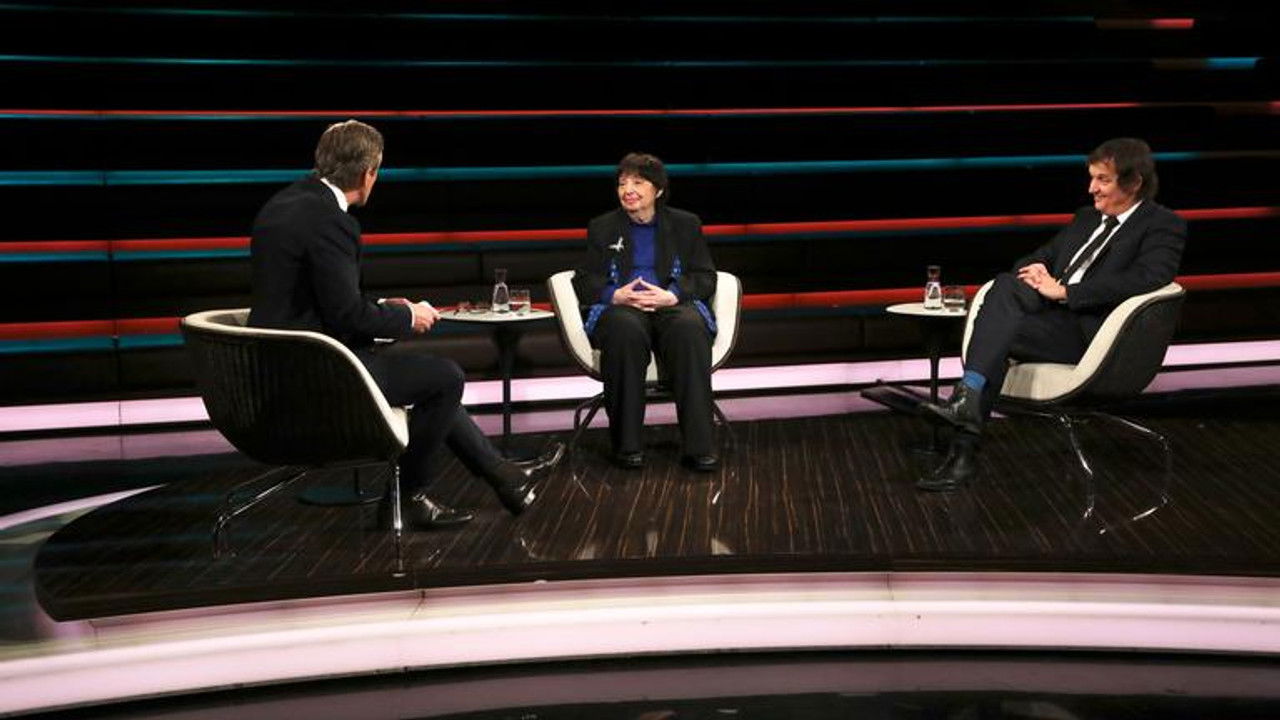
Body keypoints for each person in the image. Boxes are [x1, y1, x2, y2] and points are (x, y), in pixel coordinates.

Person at [248, 119, 549, 528]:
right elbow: (346, 315)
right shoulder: (330, 220)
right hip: (317, 374)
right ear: (367, 173)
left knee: (429, 380)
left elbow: (313, 297)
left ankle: (505, 476)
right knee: (444, 378)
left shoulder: (282, 205)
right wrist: (408, 317)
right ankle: (408, 497)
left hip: (276, 367)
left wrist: (383, 308)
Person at [917, 137, 1186, 491]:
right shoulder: (1086, 219)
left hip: (1091, 337)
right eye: (1091, 178)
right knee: (1006, 288)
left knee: (995, 335)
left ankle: (964, 442)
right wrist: (1039, 270)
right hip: (1048, 321)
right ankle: (967, 402)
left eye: (1103, 180)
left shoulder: (1162, 224)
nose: (1092, 188)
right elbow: (1035, 257)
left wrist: (1065, 292)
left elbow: (1149, 278)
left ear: (1134, 182)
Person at [571, 152, 720, 471]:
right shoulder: (602, 227)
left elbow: (706, 276)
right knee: (624, 329)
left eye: (638, 182)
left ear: (658, 190)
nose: (628, 190)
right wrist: (614, 295)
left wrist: (673, 294)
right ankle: (627, 447)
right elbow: (584, 279)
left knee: (689, 328)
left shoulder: (686, 224)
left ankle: (700, 447)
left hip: (671, 304)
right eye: (622, 183)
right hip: (624, 309)